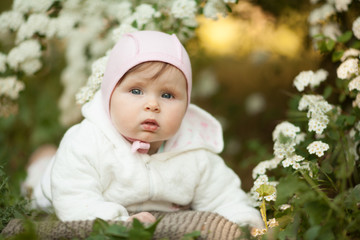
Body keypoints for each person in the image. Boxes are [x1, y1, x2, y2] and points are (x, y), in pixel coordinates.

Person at [23, 30, 263, 228]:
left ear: (187, 104)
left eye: (168, 95)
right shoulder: (86, 141)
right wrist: (117, 221)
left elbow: (224, 197)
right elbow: (75, 199)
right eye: (136, 91)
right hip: (57, 184)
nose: (152, 105)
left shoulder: (195, 153)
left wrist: (245, 223)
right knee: (38, 191)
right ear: (110, 94)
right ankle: (41, 162)